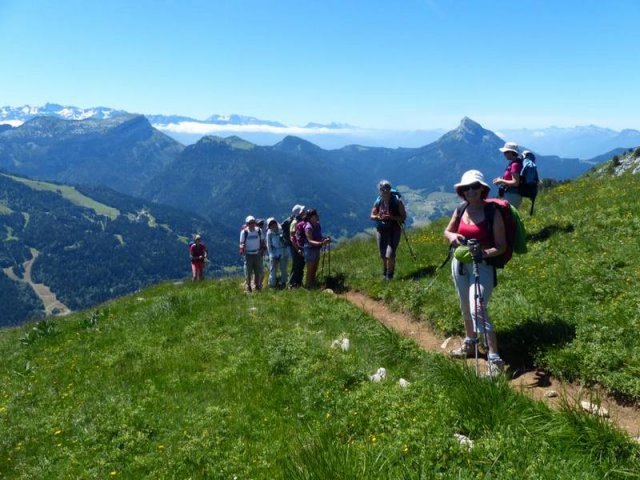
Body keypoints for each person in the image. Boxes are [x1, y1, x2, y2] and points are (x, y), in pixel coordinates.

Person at [444, 170, 507, 377]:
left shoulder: (492, 213)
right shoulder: (461, 209)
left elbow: (501, 246)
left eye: (474, 187)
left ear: (482, 189)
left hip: (483, 265)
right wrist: (453, 237)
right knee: (465, 304)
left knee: (477, 308)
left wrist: (483, 253)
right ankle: (470, 343)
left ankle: (495, 358)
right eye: (466, 188)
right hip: (460, 264)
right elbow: (447, 231)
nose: (470, 191)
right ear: (462, 191)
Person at [370, 180, 407, 280]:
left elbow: (403, 217)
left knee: (390, 254)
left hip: (394, 230)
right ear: (380, 190)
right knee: (382, 254)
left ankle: (389, 276)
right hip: (381, 230)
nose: (385, 191)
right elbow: (372, 216)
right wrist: (378, 216)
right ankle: (385, 272)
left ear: (390, 189)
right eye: (383, 189)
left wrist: (391, 217)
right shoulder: (378, 201)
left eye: (387, 188)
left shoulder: (397, 201)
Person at [303, 208, 331, 289]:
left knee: (315, 268)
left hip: (316, 249)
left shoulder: (317, 225)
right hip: (310, 250)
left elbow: (319, 236)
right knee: (310, 269)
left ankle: (312, 284)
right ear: (311, 217)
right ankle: (308, 286)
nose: (318, 216)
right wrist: (322, 243)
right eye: (315, 215)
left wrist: (325, 239)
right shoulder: (308, 227)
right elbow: (310, 241)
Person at [239, 216, 265, 293]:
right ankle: (248, 286)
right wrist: (242, 248)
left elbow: (262, 240)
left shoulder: (259, 230)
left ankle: (257, 286)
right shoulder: (244, 232)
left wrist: (263, 249)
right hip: (248, 254)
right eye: (250, 223)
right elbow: (241, 243)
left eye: (253, 222)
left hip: (257, 253)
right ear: (247, 224)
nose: (252, 224)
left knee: (257, 271)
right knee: (248, 272)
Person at [494, 141, 523, 209]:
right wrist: (502, 179)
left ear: (511, 152)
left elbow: (515, 183)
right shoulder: (515, 163)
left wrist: (501, 181)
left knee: (507, 214)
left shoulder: (515, 164)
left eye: (505, 152)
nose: (504, 154)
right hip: (511, 194)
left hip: (512, 195)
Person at [265, 217, 289, 288]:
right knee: (273, 270)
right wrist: (271, 254)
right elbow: (268, 245)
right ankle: (272, 284)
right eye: (271, 224)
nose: (273, 225)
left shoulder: (281, 230)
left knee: (283, 268)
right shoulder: (269, 233)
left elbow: (286, 241)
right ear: (269, 226)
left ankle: (284, 283)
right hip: (274, 253)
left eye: (274, 223)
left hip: (283, 252)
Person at [288, 204, 306, 288]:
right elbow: (292, 238)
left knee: (301, 263)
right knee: (296, 264)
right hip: (295, 247)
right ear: (299, 213)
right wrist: (297, 249)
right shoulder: (294, 222)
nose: (304, 211)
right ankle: (292, 283)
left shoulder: (301, 221)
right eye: (302, 211)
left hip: (300, 246)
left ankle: (298, 282)